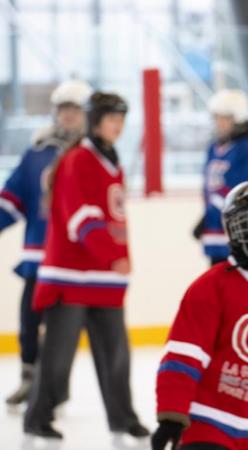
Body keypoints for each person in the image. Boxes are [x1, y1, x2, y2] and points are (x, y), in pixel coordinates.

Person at [23, 92, 149, 445]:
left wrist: (115, 259)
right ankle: (37, 418)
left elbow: (112, 217)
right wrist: (112, 254)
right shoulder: (78, 160)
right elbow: (81, 218)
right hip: (70, 277)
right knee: (57, 358)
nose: (118, 126)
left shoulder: (113, 161)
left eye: (122, 120)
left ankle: (123, 419)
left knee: (116, 355)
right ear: (95, 121)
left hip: (104, 280)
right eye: (112, 119)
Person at [151, 181, 248, 450]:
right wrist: (171, 415)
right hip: (208, 424)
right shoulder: (211, 286)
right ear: (239, 231)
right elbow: (184, 356)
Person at [0, 79, 92, 408]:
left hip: (71, 263)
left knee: (62, 331)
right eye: (63, 108)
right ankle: (28, 380)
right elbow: (11, 200)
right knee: (29, 322)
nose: (68, 115)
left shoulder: (92, 156)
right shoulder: (36, 154)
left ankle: (54, 387)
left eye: (75, 109)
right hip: (37, 257)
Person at [193, 89, 248, 266]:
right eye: (216, 118)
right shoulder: (213, 148)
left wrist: (224, 208)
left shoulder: (247, 150)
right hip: (214, 228)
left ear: (238, 119)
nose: (219, 123)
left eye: (224, 118)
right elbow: (209, 187)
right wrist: (207, 216)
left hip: (238, 230)